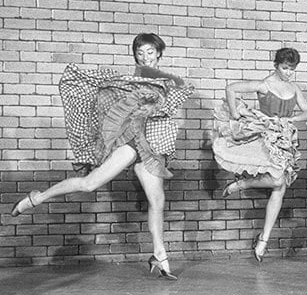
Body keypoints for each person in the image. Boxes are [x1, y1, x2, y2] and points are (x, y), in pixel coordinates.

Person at [11, 34, 194, 280]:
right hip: (132, 141)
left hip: (153, 148)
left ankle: (159, 255)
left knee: (157, 201)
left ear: (159, 53)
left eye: (150, 52)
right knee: (89, 184)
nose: (145, 57)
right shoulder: (133, 81)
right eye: (140, 53)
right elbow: (119, 104)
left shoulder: (165, 83)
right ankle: (37, 197)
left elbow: (173, 97)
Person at [211, 47, 307, 262]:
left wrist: (291, 120)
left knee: (281, 185)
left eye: (292, 69)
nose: (288, 73)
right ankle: (242, 185)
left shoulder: (294, 88)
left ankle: (263, 239)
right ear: (276, 65)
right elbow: (231, 88)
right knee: (277, 180)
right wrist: (234, 115)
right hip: (266, 140)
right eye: (285, 68)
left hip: (285, 139)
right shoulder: (265, 84)